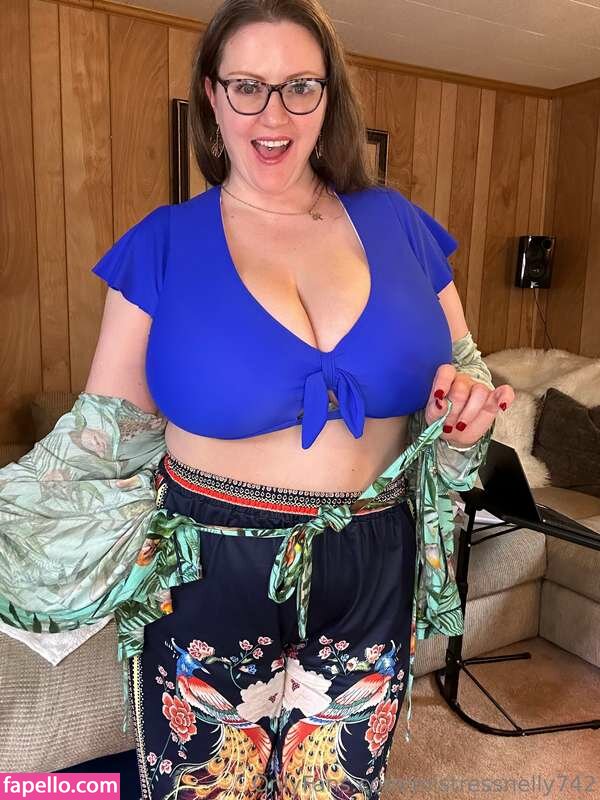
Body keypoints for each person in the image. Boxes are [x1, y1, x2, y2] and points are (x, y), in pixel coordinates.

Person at [64, 0, 513, 797]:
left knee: (338, 785)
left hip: (374, 554)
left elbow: (464, 381)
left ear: (328, 95)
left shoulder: (402, 226)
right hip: (208, 561)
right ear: (212, 95)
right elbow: (102, 442)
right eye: (247, 86)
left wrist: (464, 415)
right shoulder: (163, 243)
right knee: (210, 785)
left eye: (300, 86)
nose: (273, 115)